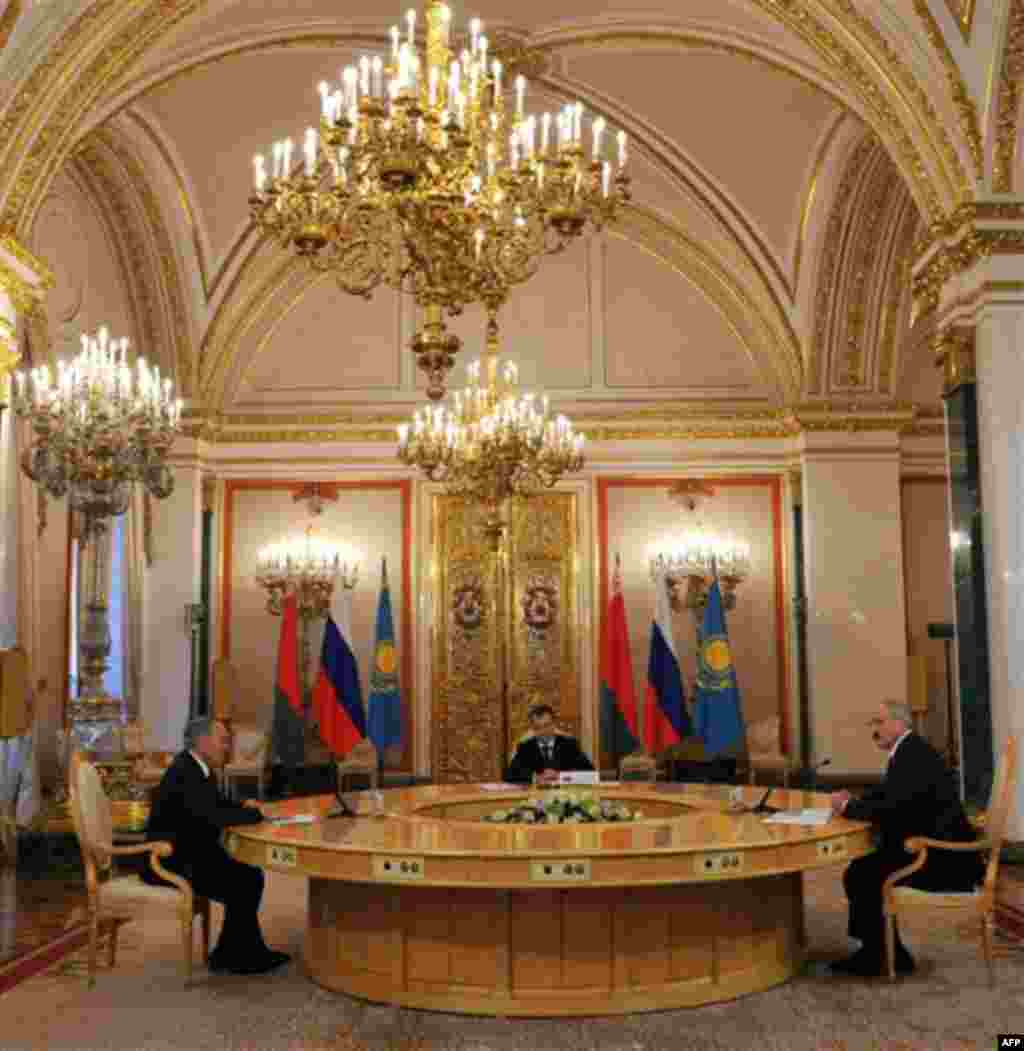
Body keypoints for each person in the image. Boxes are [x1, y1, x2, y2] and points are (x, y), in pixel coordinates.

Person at [828, 700, 984, 977]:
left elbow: (894, 808)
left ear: (900, 723)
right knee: (862, 870)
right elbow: (889, 794)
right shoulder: (909, 751)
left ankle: (878, 956)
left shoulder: (912, 755)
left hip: (944, 859)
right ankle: (885, 952)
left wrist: (849, 808)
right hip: (930, 847)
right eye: (873, 723)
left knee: (863, 874)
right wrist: (854, 800)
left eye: (880, 722)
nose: (874, 729)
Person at [141, 716, 291, 975]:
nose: (227, 746)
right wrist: (255, 816)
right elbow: (212, 816)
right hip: (170, 861)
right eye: (223, 740)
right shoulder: (185, 772)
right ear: (203, 742)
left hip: (189, 852)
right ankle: (239, 955)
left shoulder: (195, 766)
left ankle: (233, 952)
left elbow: (215, 804)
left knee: (248, 876)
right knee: (246, 880)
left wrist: (243, 806)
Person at [504, 703, 594, 785]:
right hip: (534, 798)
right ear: (532, 729)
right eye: (538, 727)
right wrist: (536, 778)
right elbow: (509, 776)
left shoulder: (569, 745)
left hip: (564, 796)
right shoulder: (525, 747)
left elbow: (591, 774)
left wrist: (560, 776)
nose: (543, 731)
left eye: (547, 725)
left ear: (554, 724)